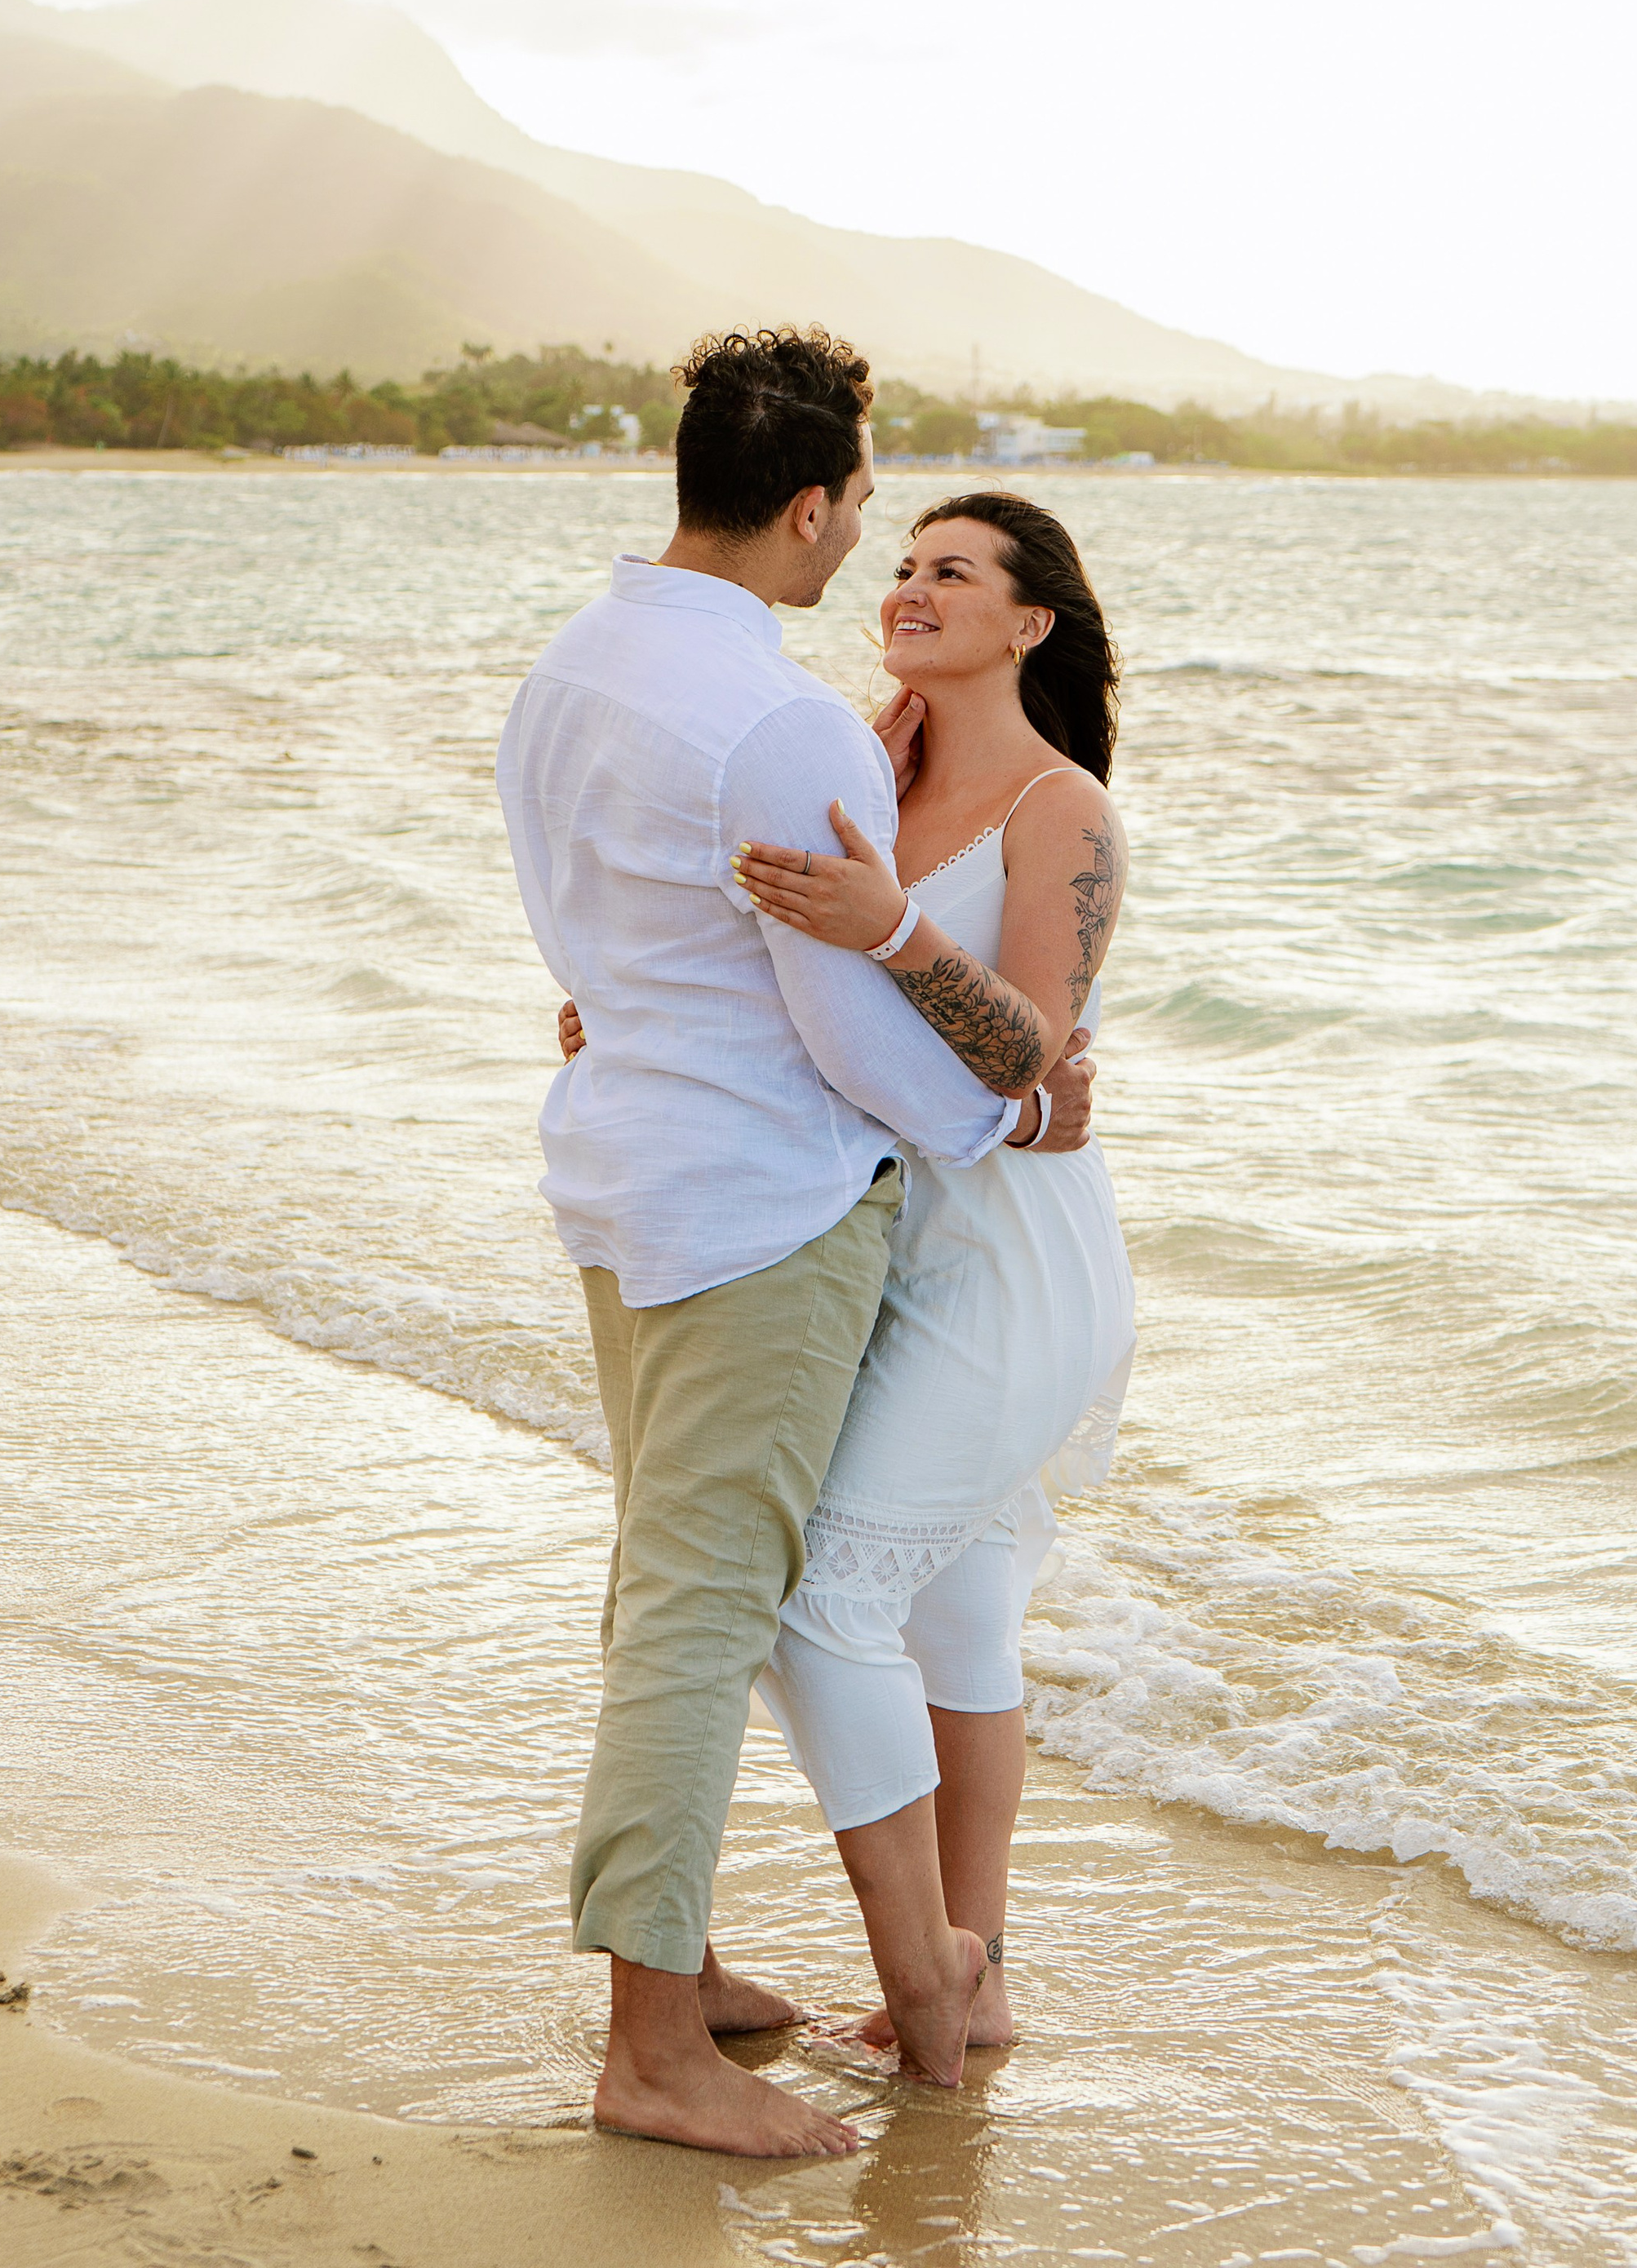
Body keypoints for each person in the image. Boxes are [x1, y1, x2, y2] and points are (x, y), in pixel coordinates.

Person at [496, 330, 1097, 2161]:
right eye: (870, 529)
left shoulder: (570, 669)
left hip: (621, 1176)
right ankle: (652, 2041)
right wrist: (1001, 1112)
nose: (875, 571)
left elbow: (569, 920)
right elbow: (841, 1028)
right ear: (813, 503)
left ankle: (671, 1963)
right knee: (701, 1610)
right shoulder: (780, 718)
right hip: (757, 1205)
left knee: (671, 1579)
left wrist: (632, 1018)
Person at [731, 490, 1133, 2065]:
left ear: (1029, 621)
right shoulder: (864, 766)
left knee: (822, 1594)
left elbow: (1031, 1053)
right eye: (900, 567)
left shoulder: (1063, 810)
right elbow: (801, 1006)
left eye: (950, 572)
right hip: (875, 1250)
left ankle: (927, 1977)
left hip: (1018, 1268)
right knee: (960, 1623)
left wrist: (893, 927)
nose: (908, 587)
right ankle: (978, 1979)